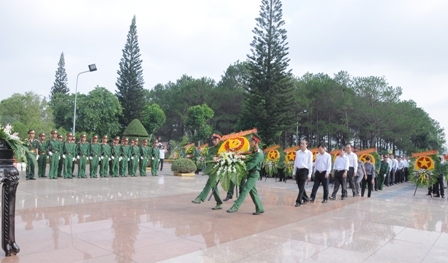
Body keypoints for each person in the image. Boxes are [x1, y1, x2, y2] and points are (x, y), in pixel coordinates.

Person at [227, 133, 265, 215]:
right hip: (250, 173)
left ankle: (235, 207)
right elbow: (247, 157)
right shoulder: (253, 152)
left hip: (254, 174)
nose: (250, 142)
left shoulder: (259, 153)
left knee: (245, 190)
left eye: (251, 141)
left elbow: (251, 164)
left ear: (256, 142)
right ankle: (260, 208)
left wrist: (241, 168)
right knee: (253, 192)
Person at [192, 132, 224, 210]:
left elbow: (224, 157)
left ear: (219, 139)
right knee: (213, 186)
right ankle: (219, 203)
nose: (214, 141)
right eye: (213, 139)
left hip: (217, 169)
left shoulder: (222, 148)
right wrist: (202, 159)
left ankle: (200, 198)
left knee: (209, 183)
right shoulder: (210, 149)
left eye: (216, 139)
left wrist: (219, 158)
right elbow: (207, 158)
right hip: (210, 169)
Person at [292, 140, 313, 207]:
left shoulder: (309, 153)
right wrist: (294, 172)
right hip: (298, 170)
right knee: (300, 186)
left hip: (305, 170)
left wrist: (309, 174)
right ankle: (306, 198)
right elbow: (295, 162)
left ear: (306, 145)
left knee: (302, 186)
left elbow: (310, 164)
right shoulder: (298, 152)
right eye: (301, 143)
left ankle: (298, 201)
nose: (302, 145)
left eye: (303, 144)